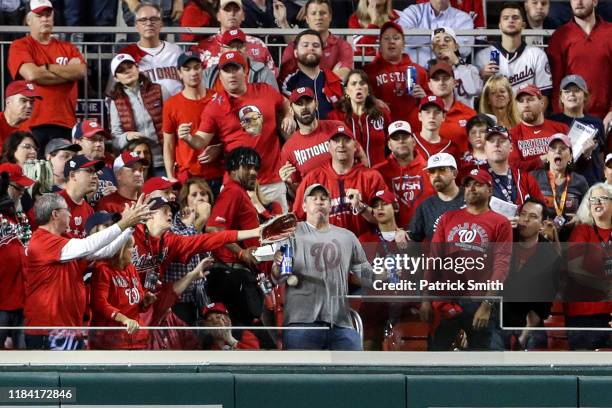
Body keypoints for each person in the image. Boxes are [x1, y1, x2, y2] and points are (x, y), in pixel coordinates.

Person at [23, 193, 151, 349]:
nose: (70, 214)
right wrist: (124, 223)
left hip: (68, 328)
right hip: (49, 330)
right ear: (55, 214)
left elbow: (104, 252)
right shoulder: (42, 241)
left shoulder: (63, 239)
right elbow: (87, 246)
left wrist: (130, 227)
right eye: (67, 210)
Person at [184, 51, 294, 211]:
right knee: (237, 234)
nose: (231, 75)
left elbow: (283, 101)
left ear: (246, 71)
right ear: (220, 76)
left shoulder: (265, 91)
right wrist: (188, 138)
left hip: (271, 180)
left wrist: (288, 115)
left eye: (235, 69)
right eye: (226, 71)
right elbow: (201, 141)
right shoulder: (215, 105)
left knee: (280, 232)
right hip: (236, 184)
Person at [420, 169, 512, 350]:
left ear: (490, 190)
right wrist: (425, 299)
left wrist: (487, 304)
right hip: (447, 300)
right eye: (468, 184)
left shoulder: (500, 222)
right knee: (435, 359)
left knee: (486, 360)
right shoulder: (448, 218)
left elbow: (501, 266)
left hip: (480, 300)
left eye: (478, 184)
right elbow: (434, 259)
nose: (472, 188)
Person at [274, 183, 373, 350]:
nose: (320, 202)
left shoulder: (347, 237)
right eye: (314, 198)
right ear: (304, 205)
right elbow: (279, 276)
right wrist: (278, 265)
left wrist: (387, 275)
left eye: (324, 198)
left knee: (355, 373)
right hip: (301, 323)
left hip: (341, 324)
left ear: (330, 205)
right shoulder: (290, 234)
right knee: (302, 376)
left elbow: (366, 275)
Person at [90, 235, 213, 350]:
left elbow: (136, 303)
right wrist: (124, 319)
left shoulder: (131, 268)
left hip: (136, 338)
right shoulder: (102, 270)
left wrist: (145, 301)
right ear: (119, 249)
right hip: (111, 340)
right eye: (131, 247)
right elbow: (99, 303)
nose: (134, 251)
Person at [7, 0, 86, 151]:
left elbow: (80, 71)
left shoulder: (68, 47)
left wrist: (46, 68)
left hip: (65, 122)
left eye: (48, 15)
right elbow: (32, 74)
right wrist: (66, 72)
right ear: (28, 20)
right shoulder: (20, 45)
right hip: (31, 124)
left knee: (62, 172)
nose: (45, 19)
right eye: (39, 15)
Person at [293, 126, 386, 236]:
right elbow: (297, 220)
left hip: (363, 247)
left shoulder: (371, 177)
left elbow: (385, 219)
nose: (341, 145)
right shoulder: (312, 178)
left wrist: (360, 207)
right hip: (325, 247)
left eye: (346, 141)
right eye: (336, 141)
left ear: (355, 146)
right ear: (328, 147)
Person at [499, 198, 559, 350]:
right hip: (496, 318)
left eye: (532, 216)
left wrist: (523, 337)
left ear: (542, 223)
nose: (525, 220)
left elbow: (542, 307)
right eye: (523, 214)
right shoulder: (503, 240)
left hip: (528, 323)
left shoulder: (550, 256)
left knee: (534, 341)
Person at [548, 0, 612, 127]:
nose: (579, 2)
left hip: (607, 116)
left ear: (595, 2)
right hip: (573, 118)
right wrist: (562, 119)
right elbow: (556, 86)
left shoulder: (610, 32)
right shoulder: (560, 36)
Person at [163, 52, 223, 187]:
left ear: (203, 69)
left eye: (197, 67)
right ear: (179, 73)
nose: (193, 72)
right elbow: (168, 144)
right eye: (187, 69)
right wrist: (170, 176)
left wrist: (220, 148)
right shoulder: (171, 105)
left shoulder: (218, 99)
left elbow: (230, 133)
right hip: (187, 178)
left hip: (217, 174)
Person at [565, 183, 612, 350]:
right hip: (583, 314)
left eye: (603, 198)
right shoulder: (582, 231)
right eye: (593, 200)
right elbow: (574, 269)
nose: (597, 202)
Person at [475, 2, 552, 101]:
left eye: (515, 18)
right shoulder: (483, 56)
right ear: (500, 25)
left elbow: (544, 95)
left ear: (523, 25)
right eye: (506, 18)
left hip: (525, 113)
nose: (511, 20)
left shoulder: (537, 55)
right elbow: (476, 98)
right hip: (495, 113)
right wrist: (481, 78)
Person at [164, 178, 214, 325]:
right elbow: (184, 248)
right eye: (194, 195)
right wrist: (202, 219)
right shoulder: (174, 220)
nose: (200, 198)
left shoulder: (204, 224)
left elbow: (208, 260)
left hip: (198, 296)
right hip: (178, 300)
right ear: (185, 200)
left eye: (203, 194)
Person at [278, 87, 344, 194]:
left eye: (308, 102)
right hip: (317, 205)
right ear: (291, 110)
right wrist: (289, 184)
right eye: (299, 104)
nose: (304, 107)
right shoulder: (288, 149)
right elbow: (297, 194)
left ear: (316, 104)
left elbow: (360, 157)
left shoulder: (337, 128)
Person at [363, 21, 428, 128]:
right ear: (380, 44)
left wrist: (424, 98)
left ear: (403, 44)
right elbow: (355, 97)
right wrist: (371, 100)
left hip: (412, 131)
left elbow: (431, 103)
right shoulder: (368, 71)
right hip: (381, 130)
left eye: (396, 38)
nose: (391, 41)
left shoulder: (419, 71)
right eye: (386, 38)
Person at [108, 53, 164, 176]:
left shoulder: (159, 90)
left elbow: (173, 121)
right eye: (122, 71)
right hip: (136, 166)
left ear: (137, 68)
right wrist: (127, 136)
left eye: (130, 67)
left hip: (164, 161)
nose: (128, 72)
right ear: (116, 78)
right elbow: (115, 140)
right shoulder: (115, 101)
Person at [374, 120, 434, 229]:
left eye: (405, 136)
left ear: (414, 142)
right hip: (392, 238)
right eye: (396, 138)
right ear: (389, 145)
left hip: (426, 237)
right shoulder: (378, 172)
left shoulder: (430, 168)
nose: (401, 141)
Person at [191, 0, 277, 75]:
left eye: (236, 9)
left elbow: (271, 77)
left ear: (243, 15)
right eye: (227, 10)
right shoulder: (202, 48)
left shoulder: (258, 44)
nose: (232, 13)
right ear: (218, 16)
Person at [0, 164, 35, 349]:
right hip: (1, 303)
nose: (22, 192)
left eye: (24, 188)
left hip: (21, 301)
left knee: (24, 358)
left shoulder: (18, 217)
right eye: (17, 187)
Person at [549, 74, 606, 186]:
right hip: (564, 185)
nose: (572, 94)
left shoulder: (597, 123)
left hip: (592, 182)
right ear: (561, 97)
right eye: (567, 91)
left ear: (585, 96)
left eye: (577, 90)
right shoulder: (552, 122)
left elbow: (600, 156)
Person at [118, 3, 182, 101]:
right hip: (143, 112)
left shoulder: (175, 51)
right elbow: (113, 93)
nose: (149, 23)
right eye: (143, 20)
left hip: (175, 111)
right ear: (136, 26)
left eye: (154, 19)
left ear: (161, 24)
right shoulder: (127, 54)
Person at [279, 0, 353, 84]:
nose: (318, 17)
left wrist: (307, 79)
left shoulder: (343, 46)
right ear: (306, 18)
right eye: (313, 13)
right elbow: (287, 80)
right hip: (301, 96)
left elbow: (341, 78)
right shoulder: (293, 47)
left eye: (322, 13)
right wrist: (331, 76)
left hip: (332, 96)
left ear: (330, 17)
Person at [328, 69, 390, 167]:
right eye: (354, 84)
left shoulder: (382, 114)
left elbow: (391, 143)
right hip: (352, 176)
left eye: (362, 83)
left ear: (368, 89)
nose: (358, 87)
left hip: (380, 174)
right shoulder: (335, 117)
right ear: (346, 91)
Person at [532, 134, 589, 235]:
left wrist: (580, 217)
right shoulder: (534, 177)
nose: (558, 151)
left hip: (571, 237)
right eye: (553, 148)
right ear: (547, 156)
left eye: (563, 148)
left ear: (570, 157)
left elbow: (589, 209)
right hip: (541, 237)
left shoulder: (580, 180)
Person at [281, 29, 343, 120]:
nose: (311, 48)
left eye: (316, 45)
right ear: (295, 53)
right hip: (301, 132)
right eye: (305, 45)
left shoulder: (334, 81)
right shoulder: (287, 82)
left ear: (322, 51)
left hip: (331, 131)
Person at [482, 125, 545, 208]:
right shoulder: (477, 177)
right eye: (491, 141)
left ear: (511, 147)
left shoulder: (525, 178)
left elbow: (542, 210)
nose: (496, 144)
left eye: (502, 141)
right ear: (484, 148)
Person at [509, 84, 569, 172]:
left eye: (530, 99)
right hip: (528, 184)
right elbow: (514, 167)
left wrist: (586, 155)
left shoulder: (562, 129)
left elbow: (573, 161)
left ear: (542, 103)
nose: (525, 105)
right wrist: (542, 159)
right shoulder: (512, 134)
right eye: (521, 101)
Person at [397, 0, 474, 68]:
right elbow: (404, 36)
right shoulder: (413, 11)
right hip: (415, 73)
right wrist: (441, 37)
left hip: (449, 74)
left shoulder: (463, 18)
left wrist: (423, 39)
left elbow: (465, 49)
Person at [202, 28, 278, 93]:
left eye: (240, 46)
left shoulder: (263, 72)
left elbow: (276, 101)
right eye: (231, 46)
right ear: (221, 50)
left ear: (246, 48)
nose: (235, 50)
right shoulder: (208, 74)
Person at [409, 152, 463, 242]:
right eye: (432, 171)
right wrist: (402, 234)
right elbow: (412, 239)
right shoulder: (425, 207)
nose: (436, 175)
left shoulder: (472, 196)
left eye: (442, 170)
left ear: (454, 173)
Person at [424, 61, 476, 151]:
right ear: (429, 85)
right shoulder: (420, 115)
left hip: (462, 164)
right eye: (436, 79)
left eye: (445, 78)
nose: (441, 82)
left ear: (455, 82)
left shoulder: (469, 114)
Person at [429, 26, 482, 109]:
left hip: (465, 117)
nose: (442, 43)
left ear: (456, 46)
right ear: (432, 47)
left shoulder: (471, 69)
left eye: (447, 40)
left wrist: (457, 62)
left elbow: (474, 90)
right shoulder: (428, 72)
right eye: (437, 41)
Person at [72, 120, 117, 204]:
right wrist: (96, 197)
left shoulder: (109, 170)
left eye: (101, 140)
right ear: (77, 142)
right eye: (93, 139)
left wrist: (116, 196)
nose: (98, 144)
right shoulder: (70, 169)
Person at [58, 155, 104, 238]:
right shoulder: (54, 203)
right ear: (73, 175)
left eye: (95, 172)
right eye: (89, 171)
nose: (95, 176)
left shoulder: (89, 210)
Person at [413, 96, 461, 162]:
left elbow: (456, 172)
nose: (432, 116)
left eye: (437, 112)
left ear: (443, 116)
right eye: (427, 112)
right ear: (420, 116)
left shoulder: (452, 147)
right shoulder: (410, 141)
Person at [0, 81, 41, 153]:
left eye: (31, 102)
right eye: (23, 100)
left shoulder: (26, 131)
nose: (29, 106)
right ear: (8, 102)